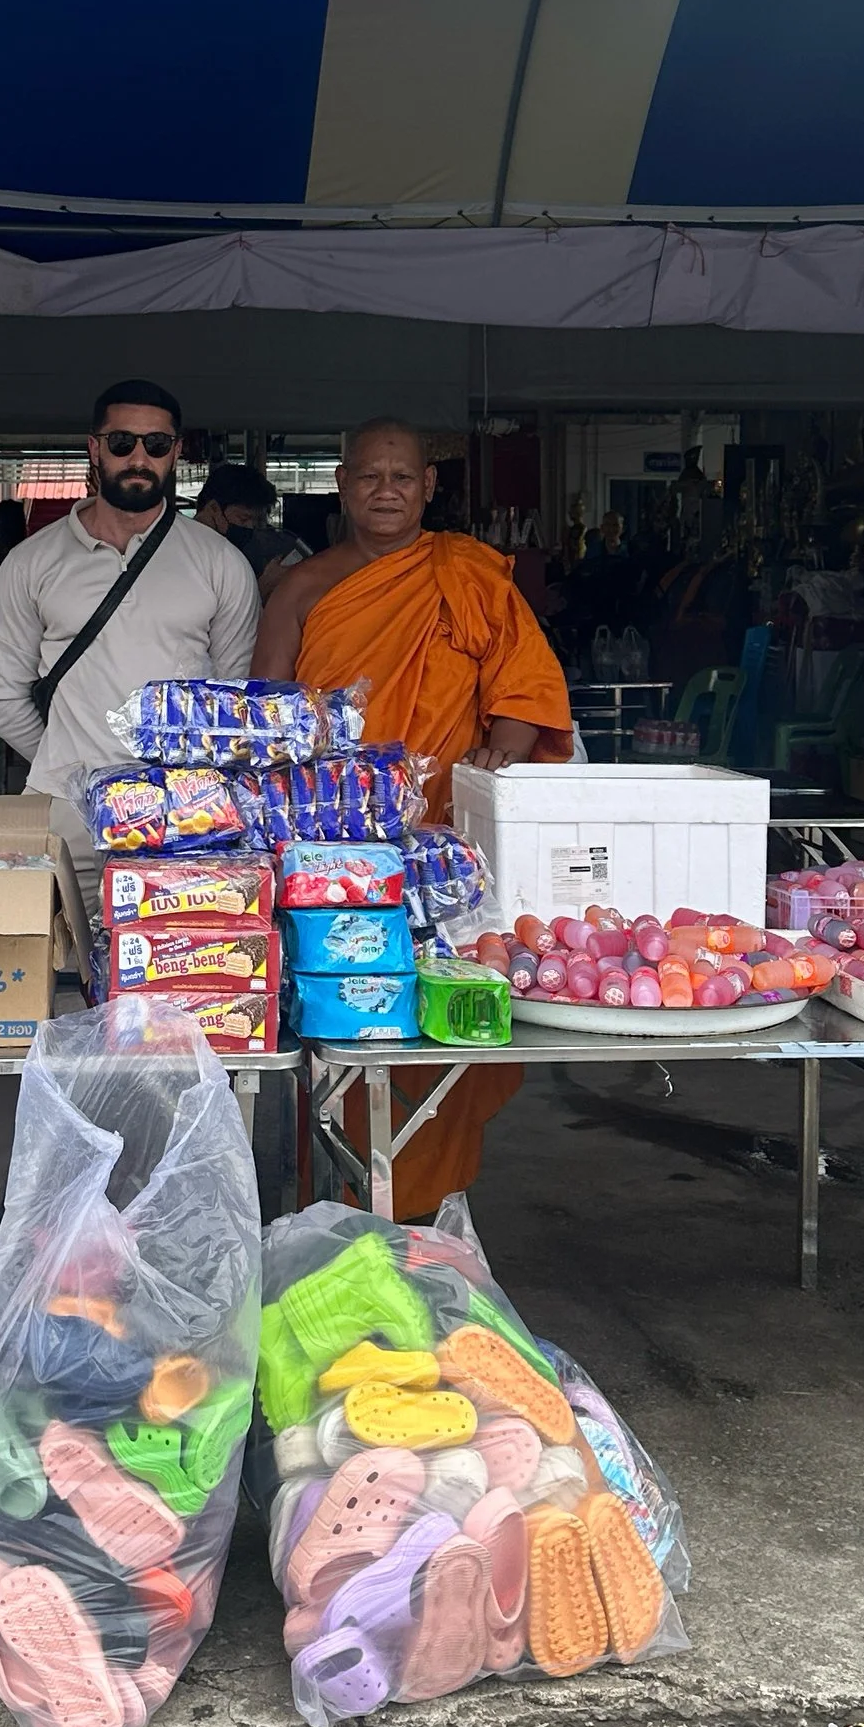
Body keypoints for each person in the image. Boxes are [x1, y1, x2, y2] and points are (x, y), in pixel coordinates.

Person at [0, 378, 258, 1278]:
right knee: (31, 1015)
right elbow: (1, 697)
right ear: (93, 448)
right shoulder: (33, 564)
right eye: (122, 443)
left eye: (158, 445)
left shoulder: (218, 565)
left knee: (196, 1017)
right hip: (64, 829)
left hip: (185, 845)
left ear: (180, 453)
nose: (140, 460)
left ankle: (198, 1204)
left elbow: (230, 707)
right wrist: (78, 770)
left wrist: (171, 799)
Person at [256, 417, 575, 1214]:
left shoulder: (464, 574)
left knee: (447, 1022)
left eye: (403, 476)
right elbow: (264, 724)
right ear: (342, 483)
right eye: (370, 476)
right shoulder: (304, 588)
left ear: (430, 485)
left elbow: (523, 689)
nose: (387, 490)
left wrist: (499, 753)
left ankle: (424, 1212)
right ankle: (337, 1205)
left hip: (445, 853)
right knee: (341, 1026)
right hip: (334, 856)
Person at [194, 459, 302, 595]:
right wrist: (264, 586)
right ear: (213, 509)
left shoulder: (241, 552)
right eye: (243, 519)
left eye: (256, 521)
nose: (250, 527)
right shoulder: (188, 555)